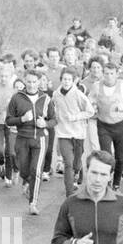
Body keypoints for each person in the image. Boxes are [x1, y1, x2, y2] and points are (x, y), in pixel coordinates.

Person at [5, 69, 55, 216]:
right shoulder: (17, 98)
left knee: (36, 171)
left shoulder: (46, 99)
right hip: (22, 138)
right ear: (24, 82)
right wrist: (22, 119)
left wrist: (44, 124)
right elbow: (8, 120)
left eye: (34, 82)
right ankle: (26, 181)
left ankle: (33, 203)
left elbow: (54, 119)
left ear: (39, 82)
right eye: (29, 82)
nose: (32, 85)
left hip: (40, 139)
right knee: (24, 169)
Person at [52, 68, 94, 196]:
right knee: (68, 163)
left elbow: (90, 111)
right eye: (64, 79)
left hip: (78, 133)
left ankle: (77, 171)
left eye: (69, 79)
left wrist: (75, 117)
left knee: (76, 163)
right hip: (63, 133)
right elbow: (54, 109)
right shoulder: (56, 94)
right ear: (61, 80)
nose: (66, 82)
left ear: (74, 81)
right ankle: (69, 193)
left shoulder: (78, 95)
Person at [0, 55, 18, 186]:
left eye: (6, 76)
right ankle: (0, 163)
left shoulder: (15, 89)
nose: (4, 78)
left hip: (10, 124)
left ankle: (9, 175)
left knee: (10, 151)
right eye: (2, 76)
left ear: (11, 76)